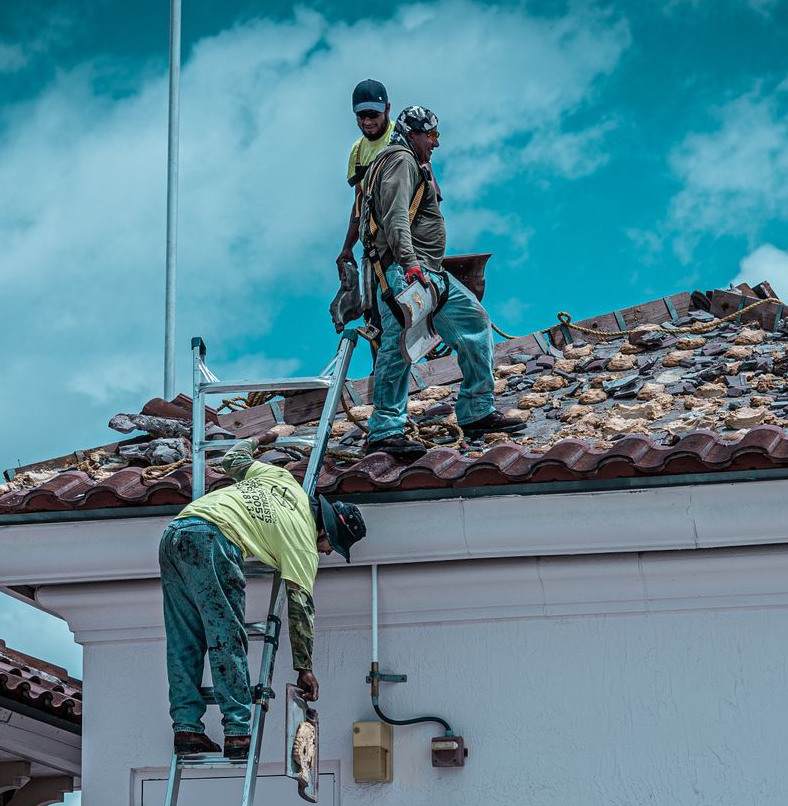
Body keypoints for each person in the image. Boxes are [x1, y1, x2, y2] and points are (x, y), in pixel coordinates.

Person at [159, 442, 364, 759]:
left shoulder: (282, 480)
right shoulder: (303, 546)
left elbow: (234, 459)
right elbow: (300, 611)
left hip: (176, 532)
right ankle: (238, 732)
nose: (326, 553)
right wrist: (304, 669)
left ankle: (187, 729)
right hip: (214, 539)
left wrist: (258, 438)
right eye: (331, 546)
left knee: (184, 637)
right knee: (226, 636)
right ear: (325, 530)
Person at [355, 105, 524, 461]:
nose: (435, 144)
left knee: (474, 322)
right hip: (407, 271)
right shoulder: (400, 159)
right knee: (398, 345)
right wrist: (410, 262)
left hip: (428, 271)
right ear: (414, 133)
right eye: (431, 136)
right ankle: (385, 430)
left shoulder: (412, 163)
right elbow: (395, 216)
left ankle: (477, 411)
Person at [337, 79, 394, 269]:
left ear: (387, 108)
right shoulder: (358, 150)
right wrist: (347, 248)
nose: (367, 122)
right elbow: (359, 203)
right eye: (361, 115)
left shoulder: (401, 136)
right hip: (376, 243)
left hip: (407, 235)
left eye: (373, 114)